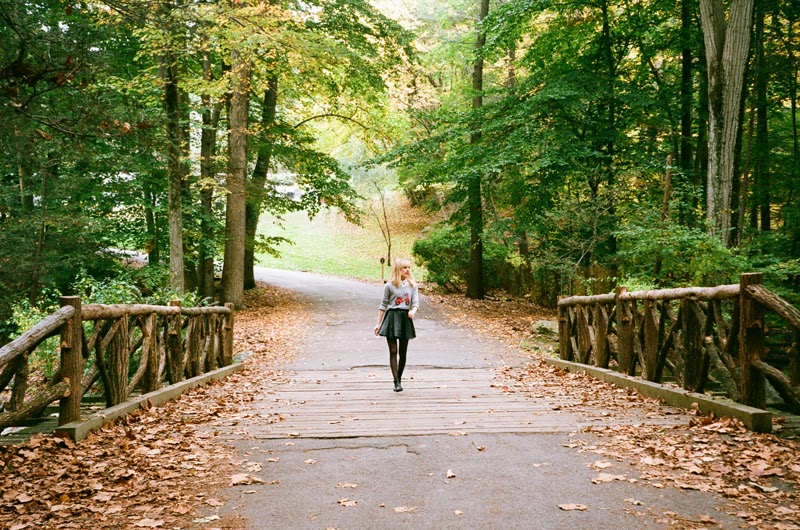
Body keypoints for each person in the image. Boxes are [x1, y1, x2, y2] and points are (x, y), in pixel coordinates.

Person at [374, 258, 419, 392]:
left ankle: (399, 377)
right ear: (398, 269)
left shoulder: (412, 285)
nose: (407, 270)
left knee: (403, 352)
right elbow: (383, 305)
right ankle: (396, 382)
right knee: (393, 350)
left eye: (409, 267)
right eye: (404, 267)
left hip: (405, 317)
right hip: (392, 317)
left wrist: (413, 311)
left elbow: (415, 302)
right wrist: (378, 324)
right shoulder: (389, 286)